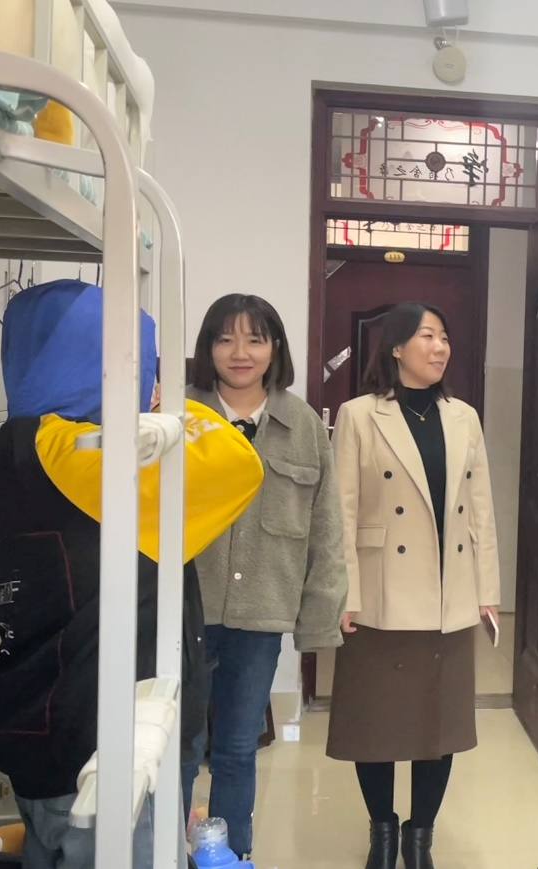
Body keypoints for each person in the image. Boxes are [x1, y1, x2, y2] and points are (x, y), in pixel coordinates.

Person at [0, 279, 264, 869]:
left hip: (39, 717)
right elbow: (237, 462)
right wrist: (166, 413)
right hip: (103, 745)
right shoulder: (85, 455)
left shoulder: (20, 443)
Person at [326, 302, 500, 869]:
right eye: (428, 335)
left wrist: (487, 591)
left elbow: (481, 510)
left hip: (449, 593)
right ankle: (382, 830)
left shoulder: (463, 417)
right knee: (374, 723)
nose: (440, 346)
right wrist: (345, 592)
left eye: (445, 336)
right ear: (397, 346)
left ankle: (420, 834)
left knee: (438, 725)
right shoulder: (359, 415)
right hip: (380, 592)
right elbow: (340, 512)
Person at [185, 294, 348, 859]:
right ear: (207, 347)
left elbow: (326, 527)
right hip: (184, 610)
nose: (240, 352)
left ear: (275, 348)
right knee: (180, 748)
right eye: (225, 338)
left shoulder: (303, 425)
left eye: (255, 339)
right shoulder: (178, 416)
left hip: (262, 611)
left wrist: (319, 617)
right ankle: (164, 852)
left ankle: (232, 856)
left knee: (235, 749)